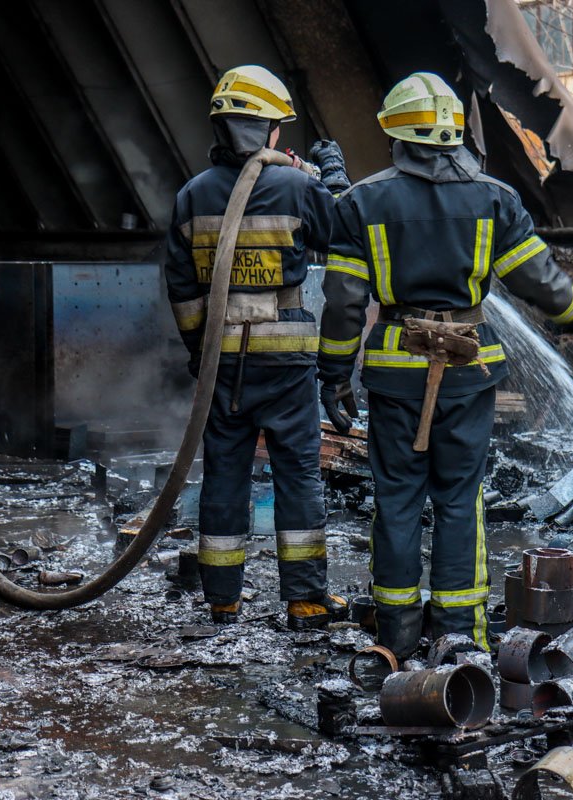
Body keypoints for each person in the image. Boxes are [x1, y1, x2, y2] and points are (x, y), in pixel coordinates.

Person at [317, 72, 573, 657]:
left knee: (397, 500)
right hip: (468, 377)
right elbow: (543, 284)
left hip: (395, 378)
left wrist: (333, 375)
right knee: (460, 500)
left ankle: (397, 635)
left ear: (395, 133)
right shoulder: (496, 200)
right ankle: (460, 637)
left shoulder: (362, 203)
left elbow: (343, 303)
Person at [164, 65, 348, 628]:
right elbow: (346, 229)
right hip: (288, 363)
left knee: (224, 474)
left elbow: (181, 288)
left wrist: (203, 353)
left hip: (224, 368)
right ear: (267, 130)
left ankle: (222, 600)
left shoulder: (192, 196)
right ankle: (306, 600)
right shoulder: (296, 185)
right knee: (297, 476)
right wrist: (333, 178)